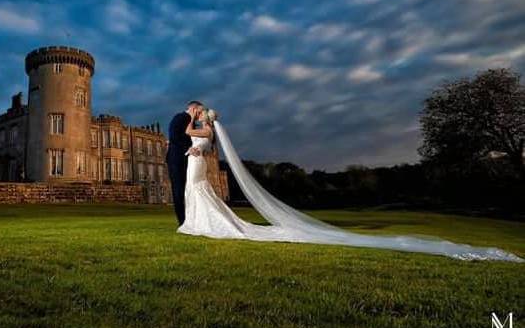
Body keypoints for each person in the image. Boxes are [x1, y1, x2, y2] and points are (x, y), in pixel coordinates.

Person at [174, 106, 523, 262]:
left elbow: (190, 134)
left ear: (207, 119)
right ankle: (197, 223)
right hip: (196, 166)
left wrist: (191, 121)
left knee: (200, 192)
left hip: (197, 167)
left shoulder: (202, 130)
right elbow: (198, 147)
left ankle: (206, 224)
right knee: (198, 193)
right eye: (198, 112)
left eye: (201, 113)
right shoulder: (208, 137)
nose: (198, 114)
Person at [165, 100, 203, 226]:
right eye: (200, 111)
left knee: (189, 188)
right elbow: (173, 136)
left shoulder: (193, 123)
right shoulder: (180, 117)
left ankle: (192, 218)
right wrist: (188, 148)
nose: (200, 114)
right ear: (193, 108)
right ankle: (182, 221)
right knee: (178, 190)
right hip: (176, 159)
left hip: (188, 160)